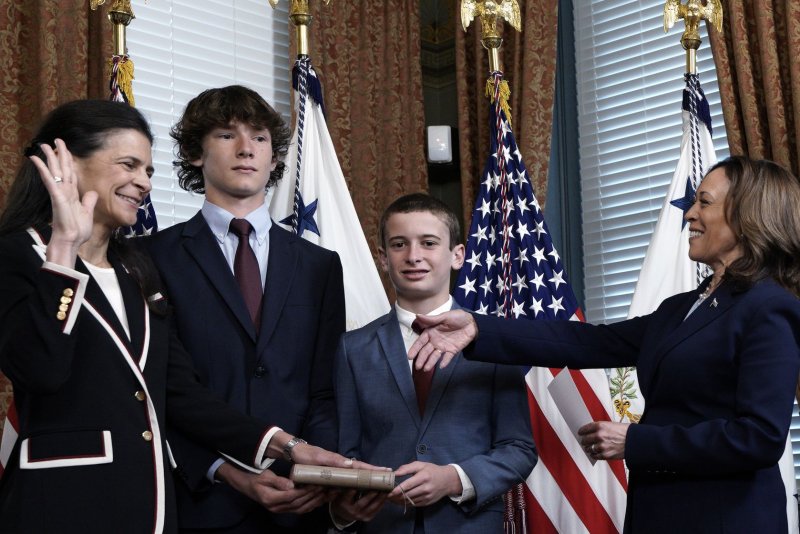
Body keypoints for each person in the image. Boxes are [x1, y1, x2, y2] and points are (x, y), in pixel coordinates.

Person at [0, 100, 357, 533]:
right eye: (129, 165)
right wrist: (63, 250)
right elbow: (41, 369)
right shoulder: (21, 255)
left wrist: (287, 446)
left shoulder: (136, 268)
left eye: (148, 171)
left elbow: (179, 391)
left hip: (150, 503)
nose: (143, 183)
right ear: (68, 165)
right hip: (64, 503)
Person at [409, 157, 800, 533]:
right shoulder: (681, 308)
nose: (689, 213)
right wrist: (479, 328)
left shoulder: (768, 307)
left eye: (704, 202)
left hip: (725, 519)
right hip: (657, 513)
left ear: (747, 215)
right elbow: (591, 341)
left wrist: (634, 440)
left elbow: (759, 438)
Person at [146, 85, 345, 533]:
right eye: (225, 135)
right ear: (196, 153)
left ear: (274, 158)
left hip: (301, 504)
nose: (245, 149)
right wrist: (226, 472)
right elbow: (160, 392)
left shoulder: (319, 265)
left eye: (259, 138)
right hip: (201, 501)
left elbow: (324, 389)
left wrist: (313, 474)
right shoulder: (151, 257)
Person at [331, 193, 537, 533]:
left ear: (457, 255)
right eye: (399, 244)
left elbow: (518, 449)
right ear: (383, 258)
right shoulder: (353, 348)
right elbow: (347, 451)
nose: (414, 256)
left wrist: (453, 479)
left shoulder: (492, 342)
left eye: (428, 243)